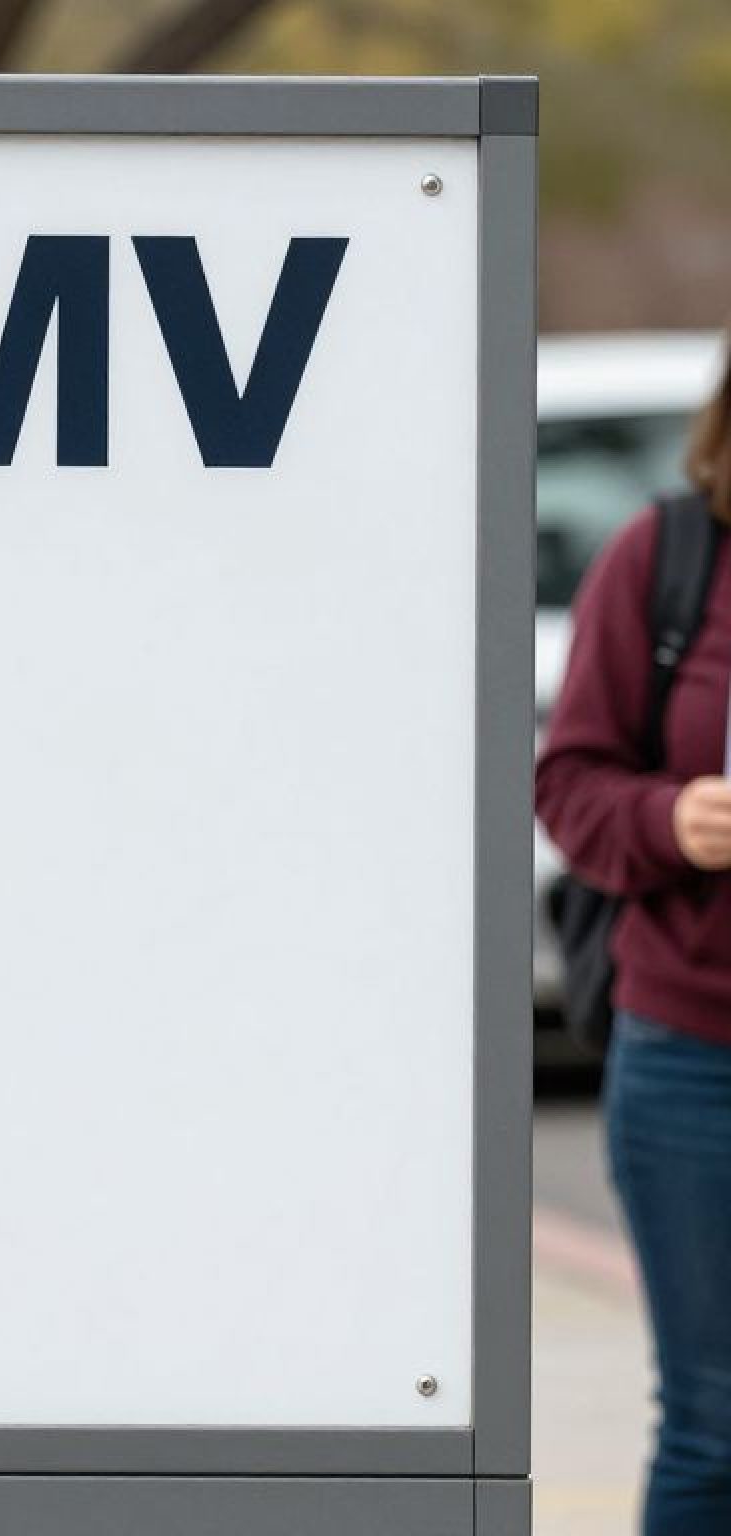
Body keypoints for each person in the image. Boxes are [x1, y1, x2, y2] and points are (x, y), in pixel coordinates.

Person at [537, 336, 731, 1536]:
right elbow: (569, 783)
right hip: (694, 1061)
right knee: (714, 1426)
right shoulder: (664, 559)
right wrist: (672, 821)